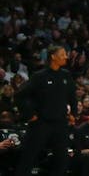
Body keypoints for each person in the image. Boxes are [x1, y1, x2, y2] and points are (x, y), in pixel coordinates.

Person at [14, 44, 75, 176]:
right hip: (41, 123)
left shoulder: (66, 75)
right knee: (28, 158)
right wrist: (29, 114)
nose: (66, 57)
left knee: (62, 160)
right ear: (53, 57)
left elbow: (72, 97)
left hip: (60, 124)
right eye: (63, 54)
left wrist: (73, 114)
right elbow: (20, 95)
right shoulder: (39, 76)